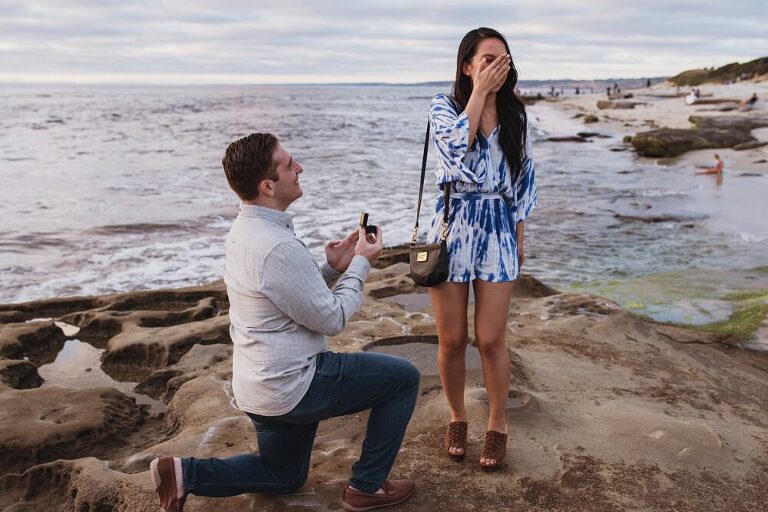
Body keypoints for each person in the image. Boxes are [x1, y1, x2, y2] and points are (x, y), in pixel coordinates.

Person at [149, 133, 420, 512]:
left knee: (285, 477)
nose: (300, 168)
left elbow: (283, 297)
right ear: (267, 185)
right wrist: (362, 262)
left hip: (261, 388)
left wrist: (332, 268)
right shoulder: (276, 245)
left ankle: (184, 474)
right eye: (290, 165)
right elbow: (332, 317)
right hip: (296, 384)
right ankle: (366, 488)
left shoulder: (245, 231)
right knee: (403, 379)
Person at [426, 27, 537, 472]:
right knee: (452, 340)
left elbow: (524, 182)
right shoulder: (444, 106)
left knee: (490, 340)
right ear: (467, 65)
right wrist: (479, 95)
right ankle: (457, 416)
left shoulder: (516, 116)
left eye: (503, 59)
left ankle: (497, 423)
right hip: (453, 227)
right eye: (488, 59)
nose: (497, 67)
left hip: (498, 229)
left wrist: (520, 238)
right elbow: (454, 151)